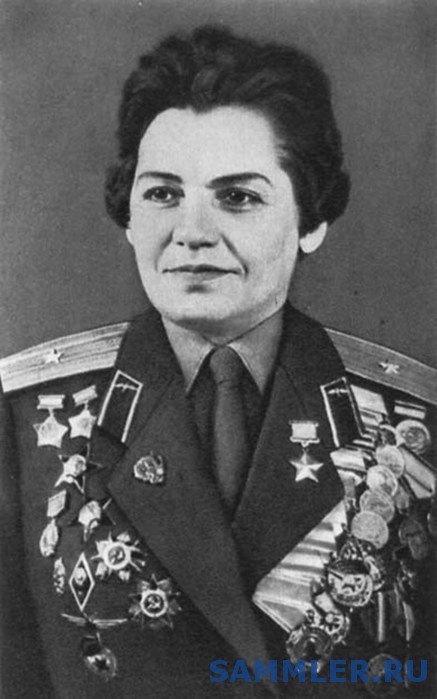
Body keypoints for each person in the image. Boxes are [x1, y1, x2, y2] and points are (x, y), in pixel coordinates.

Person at [0, 25, 435, 699]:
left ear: (312, 219)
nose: (192, 232)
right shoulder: (25, 421)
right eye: (163, 194)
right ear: (128, 215)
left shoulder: (412, 426)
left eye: (237, 197)